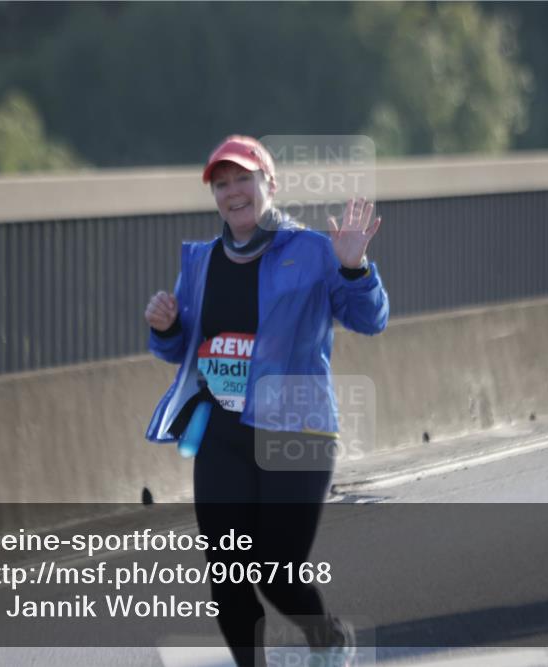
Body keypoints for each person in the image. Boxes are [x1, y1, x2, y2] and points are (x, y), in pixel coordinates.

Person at [144, 135, 388, 667]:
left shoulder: (314, 251)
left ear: (269, 184)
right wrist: (166, 327)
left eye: (243, 179)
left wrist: (355, 269)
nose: (233, 192)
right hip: (221, 434)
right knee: (228, 573)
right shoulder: (201, 262)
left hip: (297, 429)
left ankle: (328, 638)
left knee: (276, 568)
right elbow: (183, 347)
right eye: (221, 183)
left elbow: (370, 320)